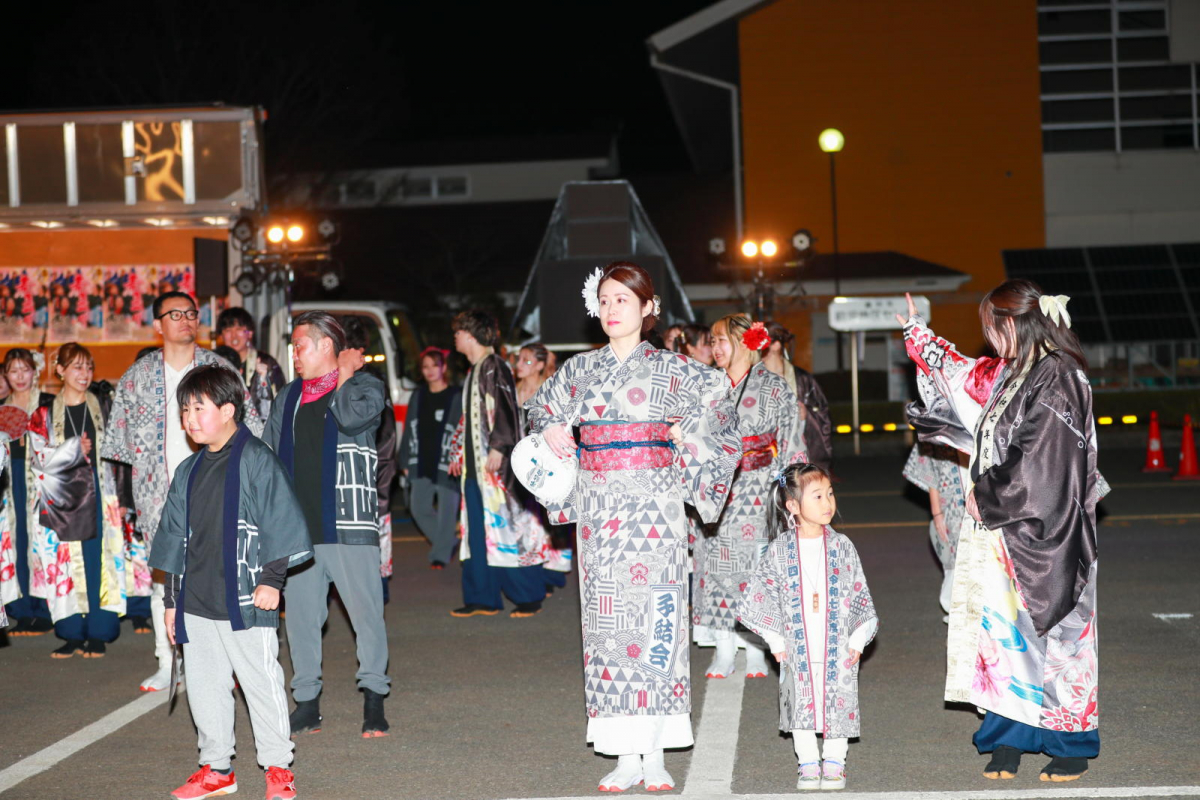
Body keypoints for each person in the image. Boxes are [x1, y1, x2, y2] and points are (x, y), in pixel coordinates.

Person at [527, 262, 741, 792]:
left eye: (623, 299)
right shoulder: (580, 370)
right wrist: (552, 424)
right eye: (604, 301)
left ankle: (656, 753)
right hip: (599, 519)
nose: (611, 309)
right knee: (605, 631)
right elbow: (538, 409)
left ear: (648, 309)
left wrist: (682, 430)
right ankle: (624, 754)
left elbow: (721, 407)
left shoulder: (674, 370)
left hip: (656, 515)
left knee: (657, 627)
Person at [898, 283, 1100, 782]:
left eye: (991, 328)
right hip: (1004, 529)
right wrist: (920, 338)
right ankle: (1010, 737)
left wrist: (988, 492)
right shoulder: (1012, 371)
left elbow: (1045, 454)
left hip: (1052, 529)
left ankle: (1067, 740)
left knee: (1060, 638)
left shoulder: (1062, 375)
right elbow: (963, 375)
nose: (988, 340)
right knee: (1004, 635)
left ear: (1011, 324)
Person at [150, 365, 309, 800]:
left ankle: (278, 767)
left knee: (261, 683)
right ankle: (217, 767)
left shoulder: (257, 459)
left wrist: (273, 580)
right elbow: (173, 539)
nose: (189, 418)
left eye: (198, 408)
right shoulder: (189, 470)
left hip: (245, 595)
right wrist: (170, 600)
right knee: (204, 687)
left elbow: (281, 520)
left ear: (227, 409)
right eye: (185, 409)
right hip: (197, 597)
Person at [101, 291, 264, 692]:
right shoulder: (137, 377)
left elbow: (253, 430)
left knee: (223, 572)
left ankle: (228, 663)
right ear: (157, 325)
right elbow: (115, 448)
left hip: (217, 488)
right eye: (175, 314)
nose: (186, 320)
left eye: (192, 313)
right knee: (165, 579)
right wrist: (118, 500)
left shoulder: (219, 368)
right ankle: (167, 660)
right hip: (157, 495)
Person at [265, 311, 391, 738]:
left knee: (366, 615)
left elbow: (353, 419)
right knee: (299, 618)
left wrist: (343, 373)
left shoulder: (364, 386)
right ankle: (307, 702)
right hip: (299, 528)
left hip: (348, 523)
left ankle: (374, 699)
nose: (294, 354)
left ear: (324, 345)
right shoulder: (288, 397)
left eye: (299, 345)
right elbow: (269, 457)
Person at [738, 462, 878, 791]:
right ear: (793, 506)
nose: (828, 503)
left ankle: (834, 760)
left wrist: (858, 637)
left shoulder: (842, 546)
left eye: (830, 494)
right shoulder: (779, 551)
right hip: (798, 643)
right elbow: (761, 597)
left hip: (837, 642)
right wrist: (776, 641)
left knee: (838, 699)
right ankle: (807, 762)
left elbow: (860, 593)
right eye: (817, 496)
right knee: (800, 699)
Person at [696, 314, 806, 680]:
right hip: (714, 489)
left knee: (757, 570)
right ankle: (724, 648)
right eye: (712, 341)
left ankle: (758, 647)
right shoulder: (705, 385)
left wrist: (793, 491)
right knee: (716, 569)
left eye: (721, 340)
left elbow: (791, 439)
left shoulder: (773, 386)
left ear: (745, 342)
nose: (715, 348)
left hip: (757, 484)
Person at [28, 344, 132, 658]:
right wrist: (74, 450)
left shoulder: (102, 404)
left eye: (88, 367)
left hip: (101, 495)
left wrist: (124, 496)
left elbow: (121, 452)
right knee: (64, 564)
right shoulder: (43, 413)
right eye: (76, 367)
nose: (84, 374)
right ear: (59, 370)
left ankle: (100, 631)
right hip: (61, 501)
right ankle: (71, 632)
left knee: (100, 562)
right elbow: (37, 458)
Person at [447, 310, 548, 618]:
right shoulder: (476, 369)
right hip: (474, 466)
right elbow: (471, 417)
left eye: (458, 331)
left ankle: (529, 594)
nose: (455, 337)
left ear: (470, 333)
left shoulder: (494, 366)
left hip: (493, 466)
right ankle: (483, 596)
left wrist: (499, 447)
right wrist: (457, 452)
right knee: (477, 531)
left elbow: (505, 409)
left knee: (506, 528)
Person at [342, 315, 398, 597]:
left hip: (365, 473)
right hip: (374, 470)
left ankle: (376, 588)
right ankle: (376, 587)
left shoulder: (364, 382)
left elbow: (384, 435)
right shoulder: (372, 379)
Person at [1, 348, 56, 635]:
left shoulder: (48, 403)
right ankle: (20, 609)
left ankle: (45, 608)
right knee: (14, 541)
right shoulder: (1, 407)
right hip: (10, 483)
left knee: (42, 540)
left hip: (42, 481)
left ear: (35, 371)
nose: (20, 377)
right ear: (6, 375)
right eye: (13, 371)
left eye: (25, 369)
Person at [514, 342, 572, 592]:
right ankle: (534, 565)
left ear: (538, 365)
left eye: (526, 361)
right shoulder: (514, 389)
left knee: (548, 514)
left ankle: (554, 569)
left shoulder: (547, 389)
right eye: (518, 360)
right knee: (527, 517)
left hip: (545, 459)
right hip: (520, 459)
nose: (518, 365)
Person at [398, 346, 462, 569]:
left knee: (447, 512)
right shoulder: (418, 395)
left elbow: (462, 430)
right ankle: (448, 543)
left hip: (447, 461)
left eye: (435, 365)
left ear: (443, 367)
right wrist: (404, 459)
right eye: (425, 367)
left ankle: (441, 554)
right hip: (421, 459)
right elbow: (409, 428)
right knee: (418, 508)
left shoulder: (456, 395)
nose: (430, 371)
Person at [903, 442, 968, 621]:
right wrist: (936, 512)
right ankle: (955, 620)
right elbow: (930, 468)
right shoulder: (937, 422)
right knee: (954, 563)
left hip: (982, 501)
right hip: (951, 505)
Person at [764, 322, 833, 471]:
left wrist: (806, 415)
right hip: (764, 457)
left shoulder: (802, 379)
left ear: (776, 345)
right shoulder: (752, 379)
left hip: (796, 452)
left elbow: (823, 415)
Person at [216, 307, 285, 422]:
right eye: (228, 330)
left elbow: (281, 400)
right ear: (221, 336)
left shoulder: (266, 362)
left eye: (239, 329)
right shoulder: (215, 363)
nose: (234, 336)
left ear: (250, 333)